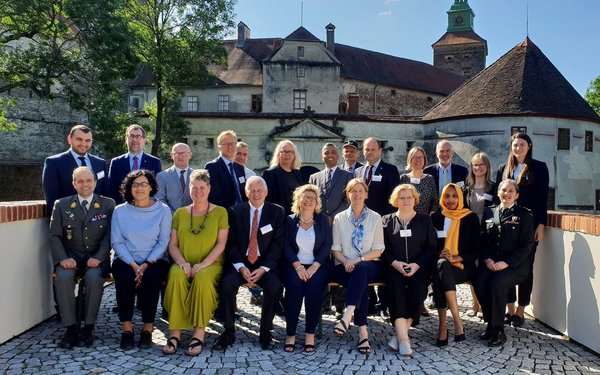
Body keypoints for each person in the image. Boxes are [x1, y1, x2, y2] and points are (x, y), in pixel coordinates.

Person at [213, 176, 286, 351]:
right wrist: (240, 266)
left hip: (264, 265)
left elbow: (278, 244)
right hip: (241, 263)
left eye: (259, 190)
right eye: (252, 190)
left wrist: (263, 268)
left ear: (266, 192)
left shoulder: (277, 212)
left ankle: (266, 332)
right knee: (227, 284)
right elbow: (230, 244)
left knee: (275, 286)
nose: (256, 194)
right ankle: (228, 330)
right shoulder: (235, 211)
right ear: (246, 193)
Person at [162, 170, 229, 356]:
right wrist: (182, 262)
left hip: (210, 264)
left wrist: (204, 264)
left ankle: (199, 332)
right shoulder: (180, 214)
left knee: (202, 279)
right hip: (183, 262)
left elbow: (221, 243)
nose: (198, 191)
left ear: (209, 189)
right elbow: (172, 244)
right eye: (194, 187)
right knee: (175, 276)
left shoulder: (220, 212)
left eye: (202, 187)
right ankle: (175, 333)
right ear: (189, 190)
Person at [49, 167, 115, 348]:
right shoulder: (61, 205)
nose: (85, 184)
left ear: (95, 182)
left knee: (94, 278)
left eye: (88, 180)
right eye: (80, 181)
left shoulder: (107, 204)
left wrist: (100, 257)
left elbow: (110, 236)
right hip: (69, 257)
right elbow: (54, 235)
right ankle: (70, 328)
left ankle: (88, 326)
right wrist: (62, 258)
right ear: (74, 184)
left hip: (96, 258)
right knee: (62, 277)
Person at [111, 170, 171, 350]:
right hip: (126, 259)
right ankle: (127, 330)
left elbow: (163, 241)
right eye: (135, 184)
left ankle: (147, 329)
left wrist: (146, 264)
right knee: (123, 279)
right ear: (129, 188)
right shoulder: (120, 211)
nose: (139, 188)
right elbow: (117, 241)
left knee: (152, 280)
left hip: (154, 260)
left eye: (144, 184)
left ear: (151, 186)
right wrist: (133, 264)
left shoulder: (163, 210)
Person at [496, 132, 549, 328]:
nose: (518, 148)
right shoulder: (503, 168)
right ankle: (510, 309)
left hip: (529, 225)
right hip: (507, 225)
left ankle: (520, 310)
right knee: (506, 264)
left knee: (526, 266)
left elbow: (543, 198)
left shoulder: (539, 168)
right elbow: (497, 199)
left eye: (522, 145)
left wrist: (541, 224)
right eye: (515, 145)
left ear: (529, 146)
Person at [476, 179, 534, 347]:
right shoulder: (489, 212)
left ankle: (499, 330)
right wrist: (487, 259)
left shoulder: (524, 215)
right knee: (480, 283)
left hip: (514, 267)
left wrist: (506, 263)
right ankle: (490, 324)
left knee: (497, 283)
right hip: (492, 263)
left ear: (516, 195)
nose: (506, 194)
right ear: (498, 192)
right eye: (503, 190)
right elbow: (482, 241)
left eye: (510, 191)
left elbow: (526, 246)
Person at [381, 184, 436, 357]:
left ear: (415, 200)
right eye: (402, 197)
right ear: (395, 201)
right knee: (395, 292)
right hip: (394, 267)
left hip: (418, 267)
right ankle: (404, 340)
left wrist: (417, 264)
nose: (406, 200)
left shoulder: (425, 220)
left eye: (409, 197)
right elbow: (382, 249)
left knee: (418, 291)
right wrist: (395, 263)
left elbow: (431, 248)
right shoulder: (386, 220)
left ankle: (399, 336)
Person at [331, 178, 384, 355]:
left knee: (361, 271)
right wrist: (346, 261)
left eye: (360, 191)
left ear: (366, 194)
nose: (357, 194)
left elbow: (379, 249)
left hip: (369, 265)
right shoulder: (339, 218)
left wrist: (357, 260)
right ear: (348, 195)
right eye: (353, 191)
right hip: (344, 266)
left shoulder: (375, 217)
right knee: (358, 279)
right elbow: (335, 249)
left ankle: (348, 314)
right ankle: (363, 333)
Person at [281, 184, 332, 353]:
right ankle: (291, 334)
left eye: (312, 197)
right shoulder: (289, 220)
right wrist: (298, 266)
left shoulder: (323, 220)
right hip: (293, 265)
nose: (308, 200)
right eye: (305, 197)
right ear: (298, 200)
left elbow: (326, 246)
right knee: (293, 290)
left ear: (317, 202)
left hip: (318, 266)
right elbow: (286, 246)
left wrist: (314, 266)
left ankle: (310, 333)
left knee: (314, 288)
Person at [430, 183, 480, 347]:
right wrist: (440, 254)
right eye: (447, 196)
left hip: (464, 267)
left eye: (454, 195)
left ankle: (446, 325)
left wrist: (456, 258)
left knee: (440, 272)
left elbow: (476, 250)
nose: (451, 199)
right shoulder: (436, 217)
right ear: (442, 198)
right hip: (442, 264)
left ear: (460, 197)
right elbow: (429, 246)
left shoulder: (470, 217)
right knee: (441, 267)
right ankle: (453, 324)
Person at [43, 124, 107, 216]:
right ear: (70, 139)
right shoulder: (54, 162)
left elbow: (105, 195)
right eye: (79, 139)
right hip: (68, 222)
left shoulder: (100, 163)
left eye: (87, 140)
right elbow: (52, 199)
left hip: (97, 222)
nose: (83, 144)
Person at [462, 152, 498, 317]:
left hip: (488, 233)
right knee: (472, 268)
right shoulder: (466, 188)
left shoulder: (494, 187)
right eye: (475, 165)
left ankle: (485, 305)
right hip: (470, 233)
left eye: (481, 165)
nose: (478, 168)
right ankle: (475, 304)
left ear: (487, 167)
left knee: (484, 269)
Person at [107, 124, 162, 204]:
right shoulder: (116, 162)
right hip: (123, 209)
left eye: (138, 136)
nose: (134, 139)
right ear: (126, 139)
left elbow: (156, 189)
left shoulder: (155, 162)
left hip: (147, 209)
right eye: (131, 136)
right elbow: (112, 190)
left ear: (144, 140)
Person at [354, 137, 400, 215]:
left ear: (380, 151)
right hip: (360, 217)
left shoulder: (390, 170)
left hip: (381, 218)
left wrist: (386, 219)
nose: (370, 152)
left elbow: (394, 197)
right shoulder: (357, 171)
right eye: (367, 149)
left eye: (373, 149)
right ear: (363, 151)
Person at [308, 143, 353, 221]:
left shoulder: (347, 176)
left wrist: (333, 217)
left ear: (338, 156)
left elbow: (348, 200)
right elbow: (311, 199)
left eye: (333, 152)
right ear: (322, 157)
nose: (330, 155)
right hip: (319, 220)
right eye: (326, 153)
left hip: (340, 220)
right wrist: (322, 217)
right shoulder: (314, 178)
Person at [204, 130, 247, 209]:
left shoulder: (240, 168)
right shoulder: (212, 167)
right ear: (219, 146)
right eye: (226, 144)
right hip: (223, 213)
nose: (230, 146)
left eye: (232, 143)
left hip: (241, 213)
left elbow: (243, 192)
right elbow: (214, 196)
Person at [263, 139, 306, 215]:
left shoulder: (297, 173)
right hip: (278, 217)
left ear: (294, 155)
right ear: (278, 154)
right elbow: (266, 199)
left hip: (295, 218)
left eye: (290, 152)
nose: (287, 154)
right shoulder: (270, 173)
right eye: (284, 152)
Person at [399, 146, 438, 214]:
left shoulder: (430, 179)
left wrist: (431, 214)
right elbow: (397, 200)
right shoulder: (403, 178)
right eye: (415, 157)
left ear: (424, 159)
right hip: (406, 219)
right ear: (410, 159)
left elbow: (435, 201)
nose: (418, 160)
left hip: (425, 220)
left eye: (421, 157)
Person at [156, 143, 193, 213]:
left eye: (183, 153)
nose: (180, 156)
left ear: (190, 155)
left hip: (193, 217)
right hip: (170, 218)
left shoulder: (197, 175)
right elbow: (160, 200)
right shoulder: (162, 176)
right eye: (176, 153)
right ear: (172, 155)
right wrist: (175, 215)